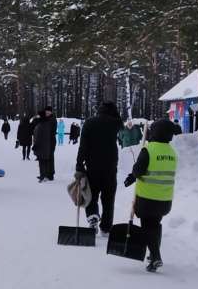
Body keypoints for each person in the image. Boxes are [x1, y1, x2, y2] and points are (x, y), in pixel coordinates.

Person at [124, 119, 178, 273]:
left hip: (148, 198)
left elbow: (139, 170)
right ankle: (154, 254)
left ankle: (155, 256)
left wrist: (133, 174)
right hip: (165, 199)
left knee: (147, 227)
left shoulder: (149, 149)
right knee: (155, 225)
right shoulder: (171, 152)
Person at [76, 102, 124, 233]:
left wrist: (79, 165)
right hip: (110, 167)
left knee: (91, 194)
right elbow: (121, 122)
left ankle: (92, 216)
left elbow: (83, 146)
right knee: (108, 198)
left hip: (92, 166)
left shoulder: (89, 122)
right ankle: (106, 226)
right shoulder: (115, 123)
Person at [32, 107, 57, 182]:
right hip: (46, 140)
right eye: (46, 111)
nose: (47, 113)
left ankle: (50, 174)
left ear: (51, 112)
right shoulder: (45, 119)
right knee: (46, 157)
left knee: (50, 157)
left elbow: (52, 131)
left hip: (51, 140)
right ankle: (46, 174)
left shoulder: (52, 119)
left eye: (49, 111)